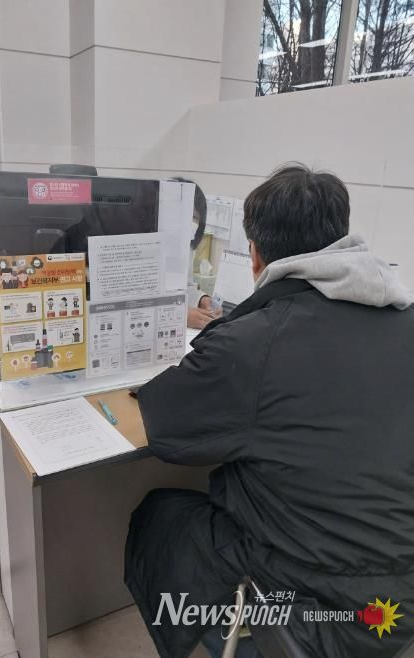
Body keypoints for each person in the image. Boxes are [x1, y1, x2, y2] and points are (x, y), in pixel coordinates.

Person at [125, 164, 414, 658]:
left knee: (161, 516)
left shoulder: (254, 342)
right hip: (400, 603)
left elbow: (165, 423)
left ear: (255, 255)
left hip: (322, 617)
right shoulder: (403, 318)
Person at [170, 177, 218, 330]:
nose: (191, 222)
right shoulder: (145, 244)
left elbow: (183, 287)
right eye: (184, 213)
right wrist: (178, 315)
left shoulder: (186, 246)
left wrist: (201, 299)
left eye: (195, 217)